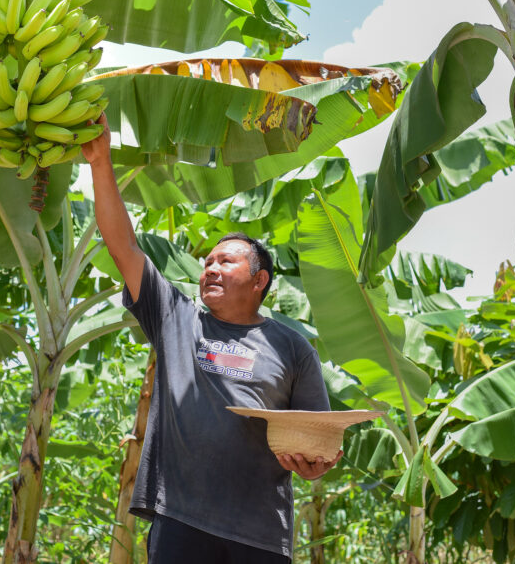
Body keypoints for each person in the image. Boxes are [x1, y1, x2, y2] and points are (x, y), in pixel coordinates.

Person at [82, 115, 340, 564]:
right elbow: (123, 247)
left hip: (259, 532)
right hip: (180, 522)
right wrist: (101, 162)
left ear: (259, 280)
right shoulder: (175, 317)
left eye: (226, 261)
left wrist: (317, 463)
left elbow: (318, 441)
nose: (210, 269)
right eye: (207, 262)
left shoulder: (294, 348)